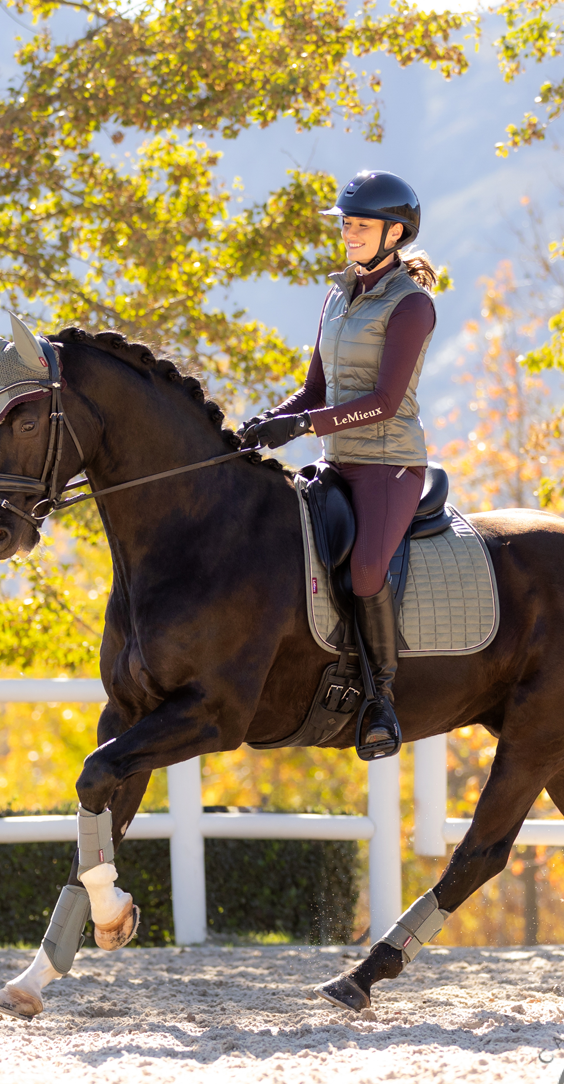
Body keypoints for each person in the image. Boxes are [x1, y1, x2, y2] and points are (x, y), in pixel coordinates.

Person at [240, 170, 437, 752]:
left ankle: (381, 700)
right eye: (347, 224)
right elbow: (313, 390)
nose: (349, 234)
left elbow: (384, 402)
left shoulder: (411, 305)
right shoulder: (336, 295)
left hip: (389, 465)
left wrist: (304, 425)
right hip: (337, 461)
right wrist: (263, 424)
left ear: (395, 233)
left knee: (367, 571)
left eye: (361, 226)